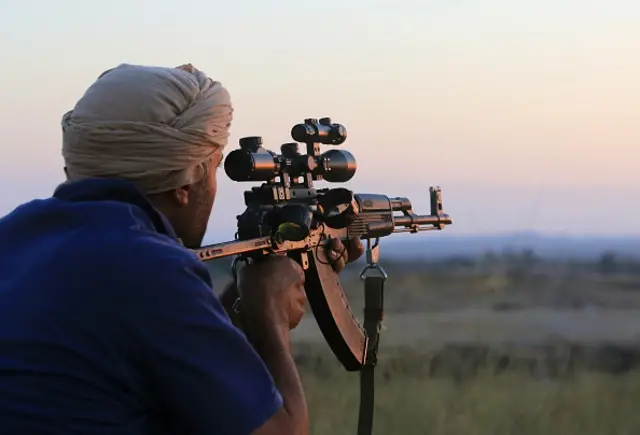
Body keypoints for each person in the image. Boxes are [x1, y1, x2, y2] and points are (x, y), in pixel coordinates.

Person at [0, 63, 364, 435]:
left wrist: (242, 293)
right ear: (184, 183)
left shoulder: (13, 235)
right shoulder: (151, 268)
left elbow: (169, 345)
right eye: (214, 167)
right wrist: (268, 315)